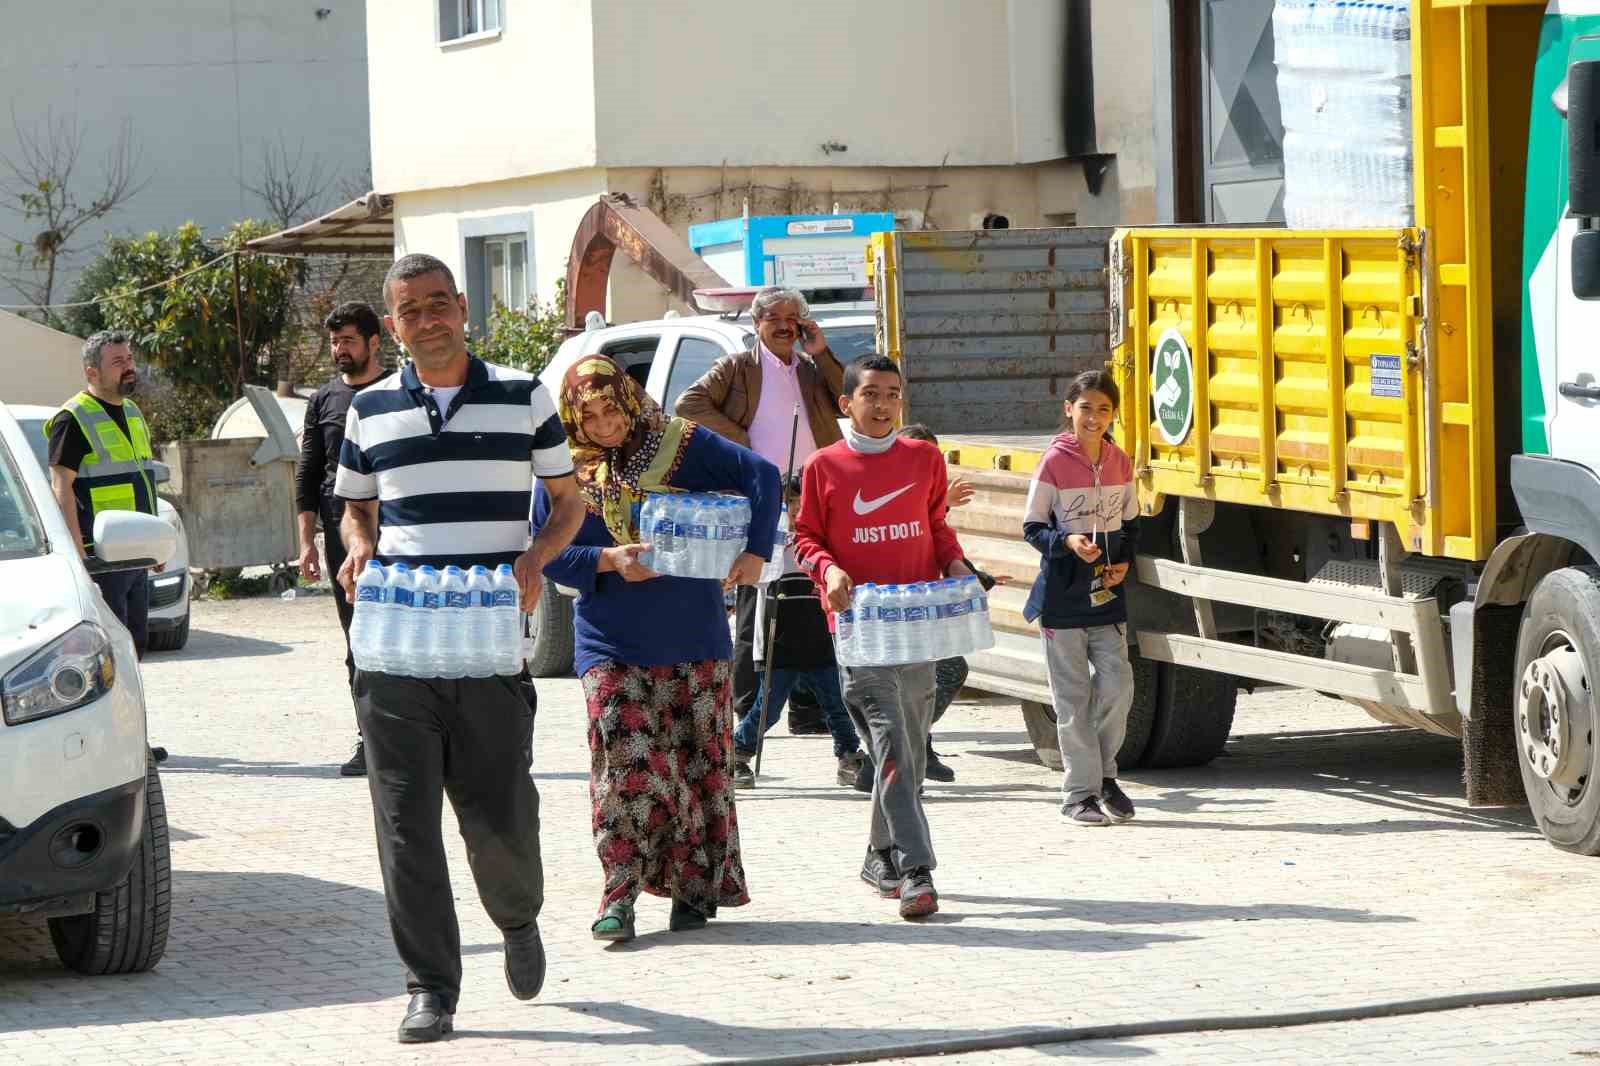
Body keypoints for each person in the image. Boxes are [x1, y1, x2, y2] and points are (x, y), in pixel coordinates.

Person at [334, 254, 585, 1044]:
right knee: (406, 825)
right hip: (397, 649)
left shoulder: (523, 393)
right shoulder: (368, 409)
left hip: (488, 649)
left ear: (464, 307)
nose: (428, 319)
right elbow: (354, 511)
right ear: (394, 325)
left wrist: (537, 558)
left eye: (440, 303)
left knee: (502, 814)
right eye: (411, 311)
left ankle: (516, 918)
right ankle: (431, 987)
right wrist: (359, 548)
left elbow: (570, 503)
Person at [532, 354, 780, 943]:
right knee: (626, 770)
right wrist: (605, 560)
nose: (602, 424)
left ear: (627, 398)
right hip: (609, 642)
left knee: (698, 767)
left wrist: (754, 552)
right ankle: (619, 894)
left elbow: (763, 477)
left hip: (693, 634)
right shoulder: (566, 470)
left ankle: (693, 890)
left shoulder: (682, 444)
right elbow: (546, 549)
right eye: (587, 415)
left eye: (609, 408)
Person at [793, 355, 974, 920]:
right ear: (847, 404)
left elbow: (936, 526)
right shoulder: (823, 467)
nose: (883, 404)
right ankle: (916, 869)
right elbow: (804, 539)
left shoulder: (923, 459)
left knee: (910, 753)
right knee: (892, 740)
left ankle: (877, 853)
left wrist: (956, 564)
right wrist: (829, 571)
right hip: (859, 629)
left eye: (892, 394)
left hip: (917, 626)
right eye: (871, 394)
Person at [675, 286, 865, 765]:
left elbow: (851, 398)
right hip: (761, 499)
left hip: (813, 498)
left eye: (792, 318)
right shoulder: (739, 367)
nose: (784, 325)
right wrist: (746, 444)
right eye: (774, 318)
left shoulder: (810, 367)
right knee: (756, 604)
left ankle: (810, 709)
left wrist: (821, 352)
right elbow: (688, 404)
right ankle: (746, 708)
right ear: (758, 324)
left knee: (814, 599)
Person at [1021, 370, 1139, 828]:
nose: (1094, 417)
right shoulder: (1052, 463)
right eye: (1085, 407)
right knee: (1071, 700)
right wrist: (1068, 543)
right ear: (1069, 409)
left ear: (1114, 415)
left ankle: (1104, 777)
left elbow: (1129, 525)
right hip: (1062, 599)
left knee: (1119, 687)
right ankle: (1078, 795)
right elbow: (1032, 527)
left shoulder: (1120, 461)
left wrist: (1123, 561)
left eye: (1104, 409)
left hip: (1107, 597)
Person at [294, 301, 393, 778]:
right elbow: (309, 472)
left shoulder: (399, 390)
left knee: (398, 630)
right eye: (334, 342)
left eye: (349, 340)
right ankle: (369, 739)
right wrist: (306, 542)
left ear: (374, 343)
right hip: (341, 533)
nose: (339, 349)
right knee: (357, 634)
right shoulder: (324, 400)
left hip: (396, 530)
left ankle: (409, 737)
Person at [46, 331, 162, 659]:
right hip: (100, 561)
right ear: (91, 372)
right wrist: (78, 558)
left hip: (136, 556)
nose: (128, 367)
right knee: (109, 658)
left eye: (129, 359)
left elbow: (143, 482)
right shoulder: (72, 418)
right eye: (117, 362)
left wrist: (155, 543)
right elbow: (61, 488)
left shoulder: (133, 413)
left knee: (135, 651)